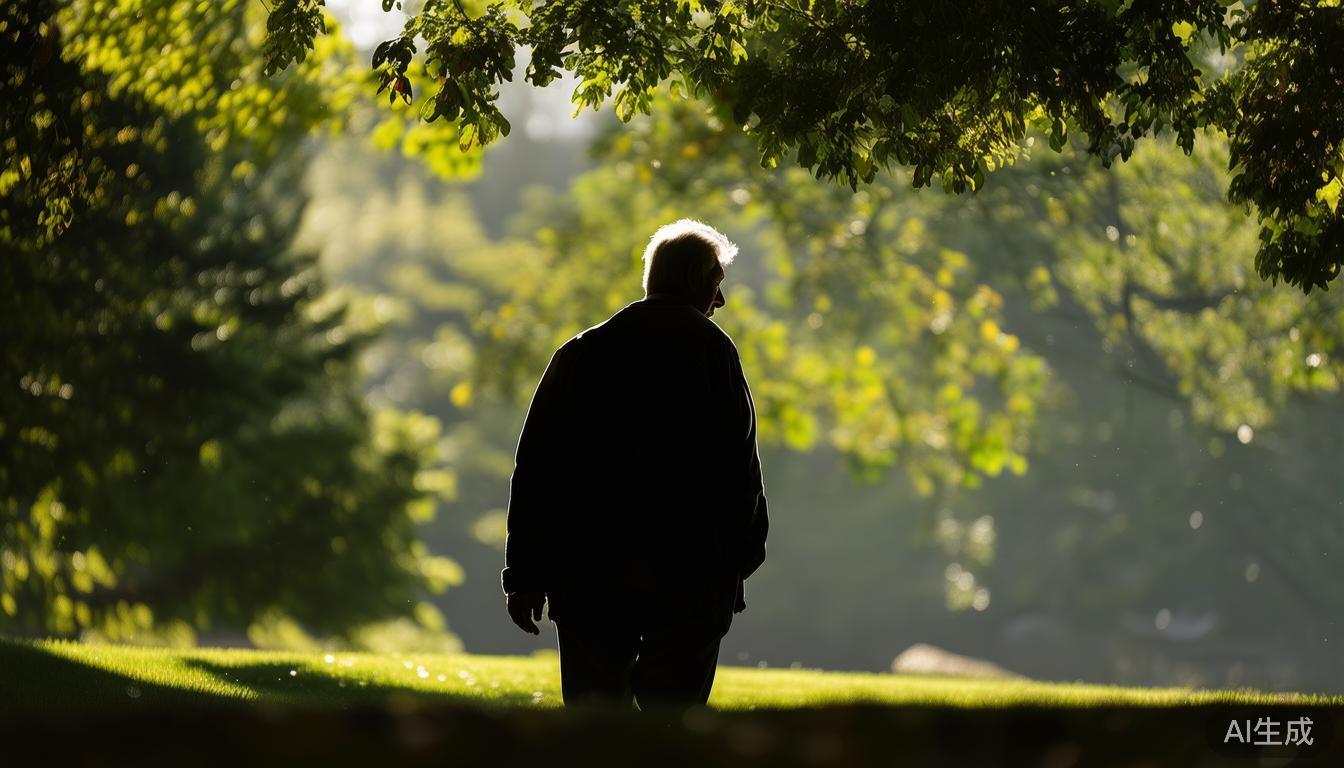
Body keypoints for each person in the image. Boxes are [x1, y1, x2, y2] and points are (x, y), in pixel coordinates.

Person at [502, 219, 769, 710]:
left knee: (596, 726)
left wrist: (524, 573)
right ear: (693, 282)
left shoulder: (582, 353)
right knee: (672, 726)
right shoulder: (713, 354)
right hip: (689, 575)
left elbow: (537, 469)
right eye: (717, 283)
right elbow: (738, 467)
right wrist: (739, 561)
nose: (722, 301)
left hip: (589, 575)